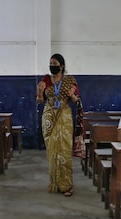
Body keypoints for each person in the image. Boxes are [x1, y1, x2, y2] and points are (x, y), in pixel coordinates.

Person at [36, 53, 81, 197]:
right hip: (49, 116)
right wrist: (39, 92)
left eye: (54, 64)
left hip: (64, 116)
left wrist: (72, 95)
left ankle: (66, 185)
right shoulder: (45, 80)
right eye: (50, 63)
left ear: (61, 66)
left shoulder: (70, 80)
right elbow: (40, 101)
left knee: (65, 150)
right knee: (52, 150)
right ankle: (54, 184)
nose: (52, 66)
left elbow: (77, 101)